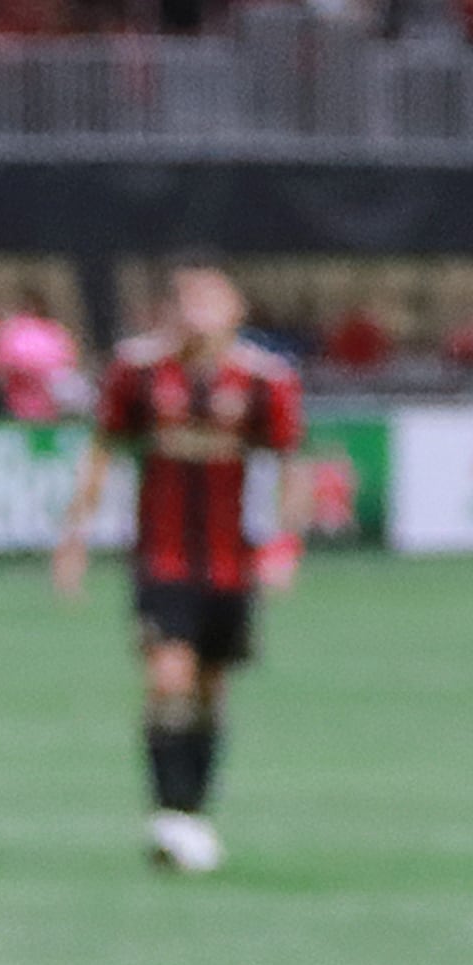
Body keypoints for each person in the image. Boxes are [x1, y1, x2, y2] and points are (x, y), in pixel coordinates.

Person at [54, 257, 299, 877]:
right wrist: (75, 537)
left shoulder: (264, 381)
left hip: (229, 566)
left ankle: (192, 813)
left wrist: (284, 547)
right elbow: (103, 450)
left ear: (236, 311)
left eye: (211, 302)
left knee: (210, 691)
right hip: (162, 559)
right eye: (188, 302)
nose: (198, 315)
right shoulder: (138, 373)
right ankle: (169, 815)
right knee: (169, 679)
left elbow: (295, 468)